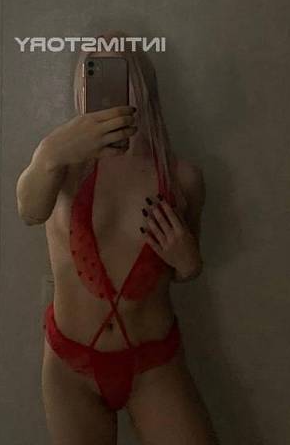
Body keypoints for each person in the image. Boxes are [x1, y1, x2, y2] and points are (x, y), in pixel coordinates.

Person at [16, 35, 218, 444]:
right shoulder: (61, 166)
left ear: (143, 86)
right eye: (95, 74)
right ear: (81, 87)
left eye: (122, 74)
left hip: (154, 364)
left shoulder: (181, 178)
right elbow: (29, 211)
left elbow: (186, 272)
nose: (112, 91)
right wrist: (49, 154)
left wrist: (189, 261)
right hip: (70, 366)